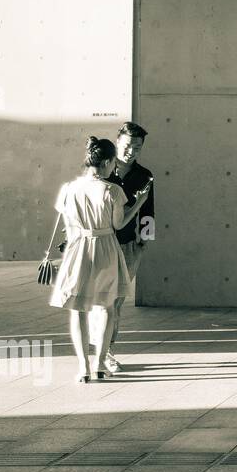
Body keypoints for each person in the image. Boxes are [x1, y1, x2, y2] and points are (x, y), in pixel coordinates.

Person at [49, 137, 152, 382]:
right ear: (106, 162)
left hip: (77, 249)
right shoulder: (112, 190)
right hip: (105, 246)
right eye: (112, 162)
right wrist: (138, 203)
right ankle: (99, 362)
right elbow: (118, 224)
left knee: (78, 310)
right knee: (106, 307)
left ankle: (83, 367)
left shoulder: (68, 189)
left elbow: (66, 222)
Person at [91, 121, 154, 372]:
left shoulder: (145, 175)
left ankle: (106, 351)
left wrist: (143, 242)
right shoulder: (102, 171)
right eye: (128, 146)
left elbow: (149, 211)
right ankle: (99, 350)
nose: (131, 151)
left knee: (115, 302)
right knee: (99, 301)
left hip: (128, 246)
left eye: (137, 147)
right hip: (99, 244)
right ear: (118, 143)